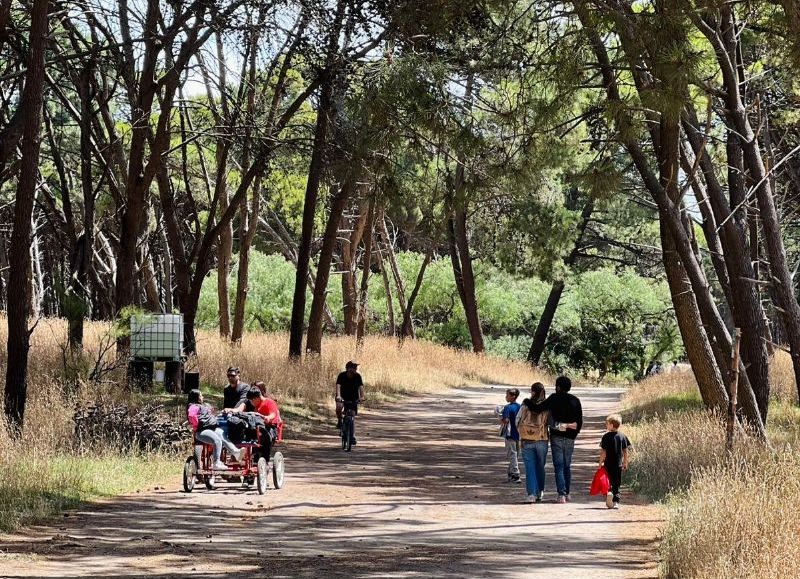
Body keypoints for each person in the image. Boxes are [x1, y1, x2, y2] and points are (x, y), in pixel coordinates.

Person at [523, 375, 582, 503]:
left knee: (559, 465)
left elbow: (537, 409)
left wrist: (527, 401)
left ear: (558, 387)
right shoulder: (575, 400)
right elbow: (579, 422)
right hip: (570, 438)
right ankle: (567, 493)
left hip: (556, 436)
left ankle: (561, 495)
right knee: (567, 465)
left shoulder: (554, 398)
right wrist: (572, 434)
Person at [186, 389, 242, 470]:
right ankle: (216, 462)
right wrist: (196, 426)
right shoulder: (193, 406)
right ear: (196, 397)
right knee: (217, 440)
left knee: (222, 435)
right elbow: (191, 416)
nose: (202, 397)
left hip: (211, 427)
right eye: (201, 395)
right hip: (202, 430)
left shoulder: (201, 406)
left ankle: (235, 452)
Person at [517, 382, 549, 503]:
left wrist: (522, 434)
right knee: (540, 467)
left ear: (532, 392)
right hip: (542, 439)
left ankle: (531, 494)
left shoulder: (525, 404)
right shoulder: (547, 405)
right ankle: (540, 491)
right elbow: (550, 422)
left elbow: (517, 420)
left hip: (526, 439)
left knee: (530, 467)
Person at [599, 413, 631, 509]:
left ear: (612, 425)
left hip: (608, 464)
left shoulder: (605, 437)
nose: (606, 425)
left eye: (607, 424)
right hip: (618, 464)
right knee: (617, 483)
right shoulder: (622, 436)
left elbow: (603, 452)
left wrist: (600, 463)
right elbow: (625, 451)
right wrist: (625, 462)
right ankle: (616, 501)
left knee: (608, 481)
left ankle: (609, 493)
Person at [336, 360, 365, 444]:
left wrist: (362, 397)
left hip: (353, 398)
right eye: (353, 367)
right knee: (339, 408)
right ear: (348, 368)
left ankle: (352, 436)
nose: (355, 369)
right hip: (342, 396)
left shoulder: (358, 376)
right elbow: (338, 386)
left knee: (352, 415)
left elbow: (361, 387)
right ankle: (340, 421)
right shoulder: (342, 375)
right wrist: (338, 396)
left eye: (355, 367)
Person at [499, 388, 521, 483]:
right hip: (519, 434)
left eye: (507, 395)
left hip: (510, 434)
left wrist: (500, 417)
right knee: (515, 455)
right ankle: (511, 473)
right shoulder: (520, 407)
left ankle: (516, 474)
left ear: (513, 396)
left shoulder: (507, 407)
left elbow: (506, 420)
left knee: (512, 454)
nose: (506, 397)